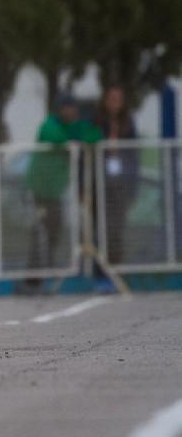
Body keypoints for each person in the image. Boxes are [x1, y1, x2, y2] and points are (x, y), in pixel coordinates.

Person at [24, 94, 102, 287]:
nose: (71, 112)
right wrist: (77, 137)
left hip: (54, 192)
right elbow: (58, 138)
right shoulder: (49, 124)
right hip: (37, 190)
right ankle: (32, 279)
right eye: (68, 108)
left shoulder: (74, 127)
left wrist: (82, 135)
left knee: (54, 230)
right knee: (38, 232)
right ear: (60, 109)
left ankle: (45, 274)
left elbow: (95, 136)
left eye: (74, 108)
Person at [92, 85, 138, 286]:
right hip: (100, 184)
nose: (115, 103)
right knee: (99, 230)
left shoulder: (128, 123)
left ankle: (115, 273)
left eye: (118, 99)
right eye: (111, 98)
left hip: (120, 183)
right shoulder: (97, 122)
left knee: (117, 230)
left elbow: (134, 156)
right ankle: (100, 274)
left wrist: (133, 187)